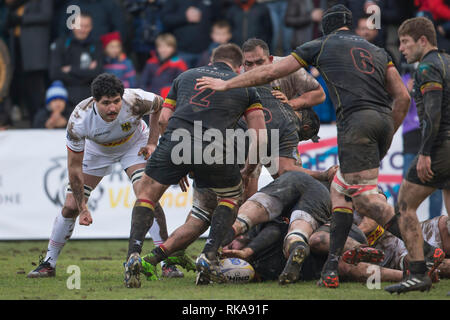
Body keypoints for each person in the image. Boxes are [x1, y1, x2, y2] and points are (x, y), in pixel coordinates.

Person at [195, 4, 443, 294]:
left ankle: (425, 251)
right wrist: (386, 137)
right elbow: (401, 97)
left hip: (355, 124)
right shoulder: (377, 50)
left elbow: (270, 72)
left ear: (325, 28)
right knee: (340, 190)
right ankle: (330, 270)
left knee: (364, 201)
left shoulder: (321, 44)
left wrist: (227, 85)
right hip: (381, 121)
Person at [123, 43, 268, 288]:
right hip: (216, 148)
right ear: (240, 66)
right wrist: (248, 168)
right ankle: (208, 255)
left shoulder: (184, 76)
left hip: (175, 142)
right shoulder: (246, 87)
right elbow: (260, 136)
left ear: (211, 61)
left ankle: (134, 254)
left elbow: (165, 118)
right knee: (230, 198)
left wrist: (176, 160)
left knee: (146, 194)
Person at [27, 74, 188, 279]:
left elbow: (160, 105)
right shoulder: (79, 120)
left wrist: (153, 141)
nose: (112, 108)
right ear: (94, 101)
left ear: (122, 97)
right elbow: (74, 169)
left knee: (147, 196)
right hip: (97, 152)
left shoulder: (135, 99)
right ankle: (48, 263)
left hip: (133, 145)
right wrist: (83, 207)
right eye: (106, 103)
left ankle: (166, 261)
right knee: (70, 206)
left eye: (116, 101)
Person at [138, 108, 323, 282]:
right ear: (305, 128)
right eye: (303, 138)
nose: (298, 143)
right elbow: (287, 173)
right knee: (233, 214)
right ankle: (211, 259)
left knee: (199, 218)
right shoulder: (288, 127)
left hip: (204, 151)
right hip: (229, 164)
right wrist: (325, 174)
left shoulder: (266, 100)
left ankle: (153, 258)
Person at [385, 16, 450, 293]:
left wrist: (425, 153)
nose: (401, 48)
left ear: (423, 41)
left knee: (404, 206)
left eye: (405, 41)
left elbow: (433, 114)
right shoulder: (448, 61)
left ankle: (419, 272)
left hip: (440, 147)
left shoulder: (426, 67)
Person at [49, 12, 103, 112]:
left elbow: (98, 73)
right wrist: (86, 73)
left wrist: (71, 69)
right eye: (80, 26)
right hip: (66, 98)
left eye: (86, 26)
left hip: (90, 98)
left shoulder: (96, 45)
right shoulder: (61, 44)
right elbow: (54, 74)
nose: (83, 30)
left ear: (91, 27)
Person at [140, 33, 188, 99]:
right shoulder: (151, 62)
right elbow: (143, 82)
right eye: (161, 47)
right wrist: (146, 96)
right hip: (151, 99)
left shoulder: (179, 64)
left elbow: (182, 85)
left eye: (168, 46)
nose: (164, 50)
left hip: (169, 101)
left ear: (174, 48)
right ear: (157, 48)